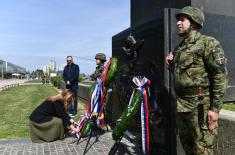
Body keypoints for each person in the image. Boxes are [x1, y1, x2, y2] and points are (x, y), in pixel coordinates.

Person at [165, 6, 227, 155]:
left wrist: (215, 108)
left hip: (200, 106)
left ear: (193, 22)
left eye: (182, 20)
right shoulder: (180, 48)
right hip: (182, 105)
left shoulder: (208, 43)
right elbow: (184, 76)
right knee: (188, 148)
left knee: (202, 149)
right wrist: (170, 64)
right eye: (178, 20)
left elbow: (220, 75)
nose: (178, 23)